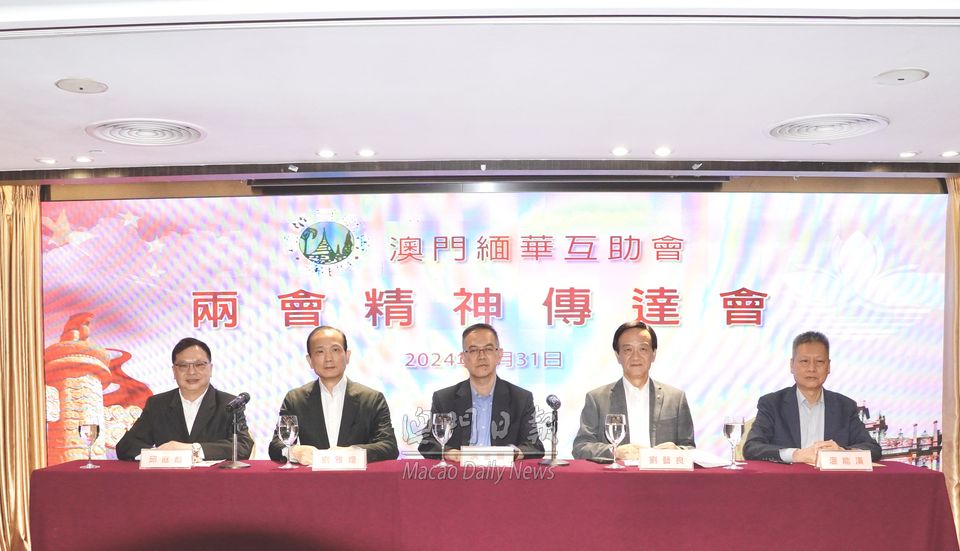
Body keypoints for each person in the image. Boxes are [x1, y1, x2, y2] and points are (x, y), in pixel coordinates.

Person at [743, 331, 882, 464]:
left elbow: (873, 449)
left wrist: (842, 452)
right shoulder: (772, 404)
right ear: (792, 365)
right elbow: (752, 448)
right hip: (787, 479)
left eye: (819, 362)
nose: (812, 368)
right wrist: (795, 455)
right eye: (804, 361)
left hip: (832, 480)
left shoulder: (845, 406)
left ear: (828, 366)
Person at [268, 326, 398, 464]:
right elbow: (276, 446)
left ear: (347, 356)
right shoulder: (295, 399)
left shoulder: (372, 399)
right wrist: (293, 452)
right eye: (320, 351)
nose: (328, 358)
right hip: (312, 476)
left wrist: (353, 452)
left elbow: (389, 446)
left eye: (335, 350)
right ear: (310, 360)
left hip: (357, 476)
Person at [418, 323, 544, 461]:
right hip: (459, 472)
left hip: (504, 472)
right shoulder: (444, 399)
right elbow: (428, 442)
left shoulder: (521, 398)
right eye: (473, 350)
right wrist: (450, 453)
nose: (481, 356)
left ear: (499, 355)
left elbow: (534, 446)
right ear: (463, 358)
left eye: (488, 349)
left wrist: (512, 453)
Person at [573, 320, 695, 460]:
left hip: (661, 473)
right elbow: (580, 447)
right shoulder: (597, 399)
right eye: (628, 350)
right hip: (617, 473)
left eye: (643, 349)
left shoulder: (675, 399)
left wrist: (678, 451)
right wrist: (614, 452)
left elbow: (690, 448)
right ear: (618, 356)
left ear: (653, 354)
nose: (636, 356)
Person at [116, 337, 253, 462]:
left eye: (199, 365)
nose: (191, 372)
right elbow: (126, 447)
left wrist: (192, 450)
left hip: (213, 480)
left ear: (210, 369)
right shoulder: (157, 404)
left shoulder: (229, 404)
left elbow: (243, 446)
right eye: (183, 365)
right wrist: (159, 455)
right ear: (174, 371)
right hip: (168, 480)